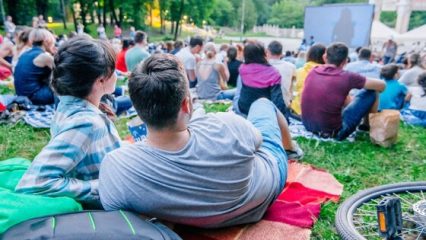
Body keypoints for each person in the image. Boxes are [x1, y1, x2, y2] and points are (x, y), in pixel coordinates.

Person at [99, 53, 303, 228]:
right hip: (266, 187)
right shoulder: (227, 125)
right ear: (186, 104)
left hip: (218, 212)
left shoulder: (116, 167)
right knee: (262, 104)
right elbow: (258, 142)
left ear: (138, 110)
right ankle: (290, 148)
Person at [15, 36, 122, 207]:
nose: (117, 75)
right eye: (114, 70)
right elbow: (34, 183)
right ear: (100, 80)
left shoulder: (69, 104)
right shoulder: (86, 122)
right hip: (111, 205)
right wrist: (102, 186)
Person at [301, 42, 385, 140]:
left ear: (325, 57)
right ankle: (367, 126)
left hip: (309, 126)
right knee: (372, 92)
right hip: (334, 133)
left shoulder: (313, 70)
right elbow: (382, 86)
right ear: (345, 61)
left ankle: (366, 124)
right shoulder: (347, 76)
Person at [236, 42, 289, 120]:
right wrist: (284, 120)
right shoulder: (273, 72)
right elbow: (277, 100)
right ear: (263, 54)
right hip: (263, 111)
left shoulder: (242, 68)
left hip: (243, 108)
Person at [14, 28, 56, 105]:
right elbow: (64, 73)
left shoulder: (25, 54)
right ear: (46, 42)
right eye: (53, 43)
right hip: (35, 97)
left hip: (21, 95)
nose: (54, 46)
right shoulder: (44, 56)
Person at [291, 44, 326, 116]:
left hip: (297, 111)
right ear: (325, 57)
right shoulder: (328, 74)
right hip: (317, 115)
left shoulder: (298, 72)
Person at [267, 41, 296, 107]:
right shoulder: (291, 67)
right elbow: (292, 86)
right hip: (285, 104)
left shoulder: (263, 66)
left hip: (267, 105)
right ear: (281, 53)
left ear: (268, 52)